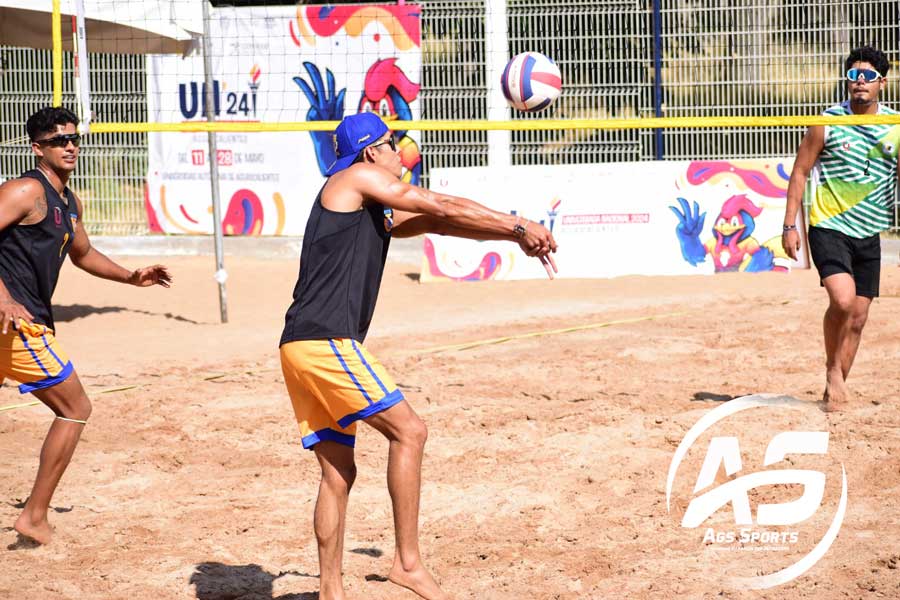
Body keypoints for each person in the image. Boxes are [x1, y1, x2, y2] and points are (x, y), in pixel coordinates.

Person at [279, 111, 557, 600]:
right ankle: (408, 564)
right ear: (371, 153)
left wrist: (516, 238)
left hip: (298, 344)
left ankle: (330, 591)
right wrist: (519, 224)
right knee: (410, 431)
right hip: (327, 341)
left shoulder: (367, 205)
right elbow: (440, 202)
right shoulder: (357, 177)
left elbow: (443, 222)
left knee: (337, 472)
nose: (400, 150)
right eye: (392, 142)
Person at [0, 107, 171, 544]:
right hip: (17, 323)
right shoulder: (24, 190)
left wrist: (133, 277)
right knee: (75, 408)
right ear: (37, 147)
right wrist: (4, 297)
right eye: (59, 140)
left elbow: (83, 253)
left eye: (74, 139)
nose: (71, 146)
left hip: (18, 323)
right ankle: (34, 516)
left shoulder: (69, 201)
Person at [783, 46, 899, 411]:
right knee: (843, 301)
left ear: (882, 82)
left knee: (860, 317)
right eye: (853, 75)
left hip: (870, 229)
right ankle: (833, 370)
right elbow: (800, 171)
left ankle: (834, 390)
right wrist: (790, 225)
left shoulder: (894, 125)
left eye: (867, 76)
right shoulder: (828, 121)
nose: (859, 82)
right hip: (828, 224)